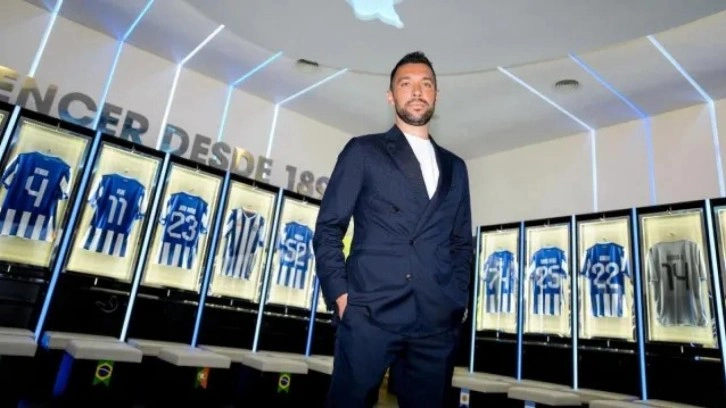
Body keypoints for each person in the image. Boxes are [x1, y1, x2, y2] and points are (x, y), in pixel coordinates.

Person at [312, 51, 473, 408]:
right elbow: (328, 230)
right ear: (390, 95)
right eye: (406, 84)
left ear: (436, 94)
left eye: (426, 84)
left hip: (436, 321)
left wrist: (457, 300)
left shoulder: (456, 167)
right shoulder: (364, 151)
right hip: (370, 313)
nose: (417, 91)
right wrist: (342, 298)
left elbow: (461, 242)